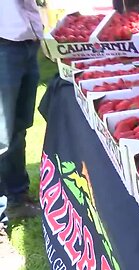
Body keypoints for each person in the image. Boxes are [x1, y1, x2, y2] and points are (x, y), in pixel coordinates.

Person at [0, 0, 44, 224]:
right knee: (2, 134)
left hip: (25, 39)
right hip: (4, 40)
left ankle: (17, 197)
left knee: (18, 127)